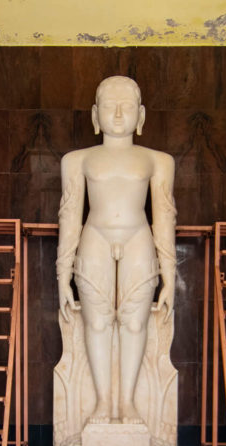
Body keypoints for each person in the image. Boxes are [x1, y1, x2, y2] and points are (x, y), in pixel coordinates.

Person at [56, 75, 176, 425]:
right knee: (96, 323)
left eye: (127, 107)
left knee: (135, 324)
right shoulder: (77, 161)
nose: (119, 114)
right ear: (95, 115)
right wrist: (62, 276)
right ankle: (103, 403)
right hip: (95, 237)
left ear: (141, 115)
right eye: (110, 106)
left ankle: (127, 404)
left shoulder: (158, 161)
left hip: (139, 237)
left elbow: (164, 219)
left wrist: (169, 277)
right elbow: (69, 217)